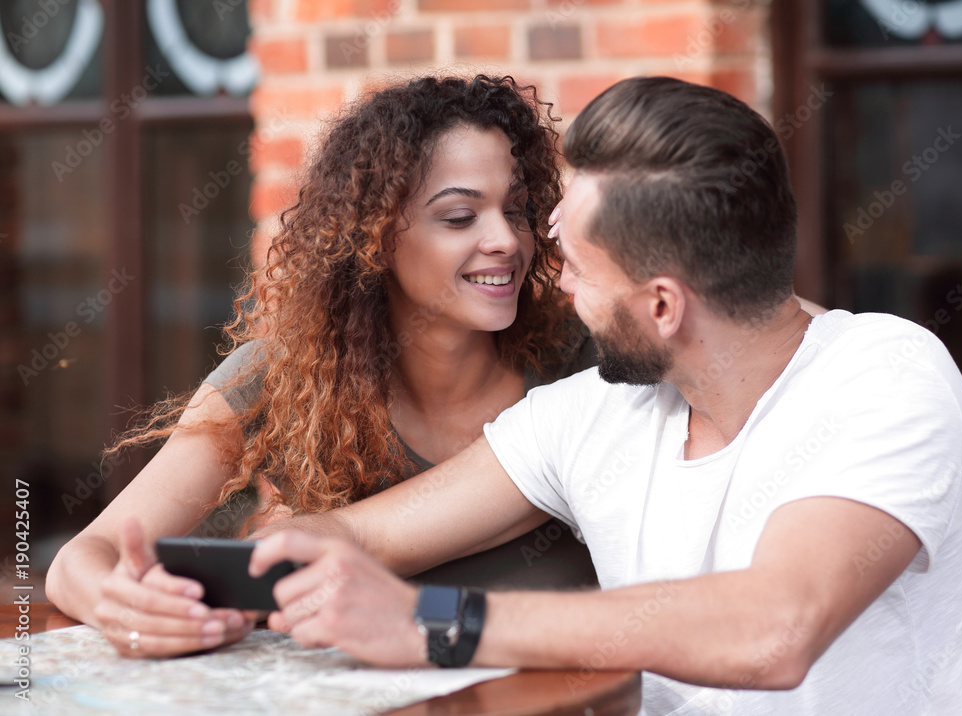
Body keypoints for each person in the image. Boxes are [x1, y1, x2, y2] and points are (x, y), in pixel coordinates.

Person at [244, 77, 962, 715]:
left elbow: (775, 627)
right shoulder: (596, 414)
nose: (557, 283)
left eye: (577, 266)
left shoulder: (886, 377)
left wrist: (434, 621)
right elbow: (360, 537)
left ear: (663, 307)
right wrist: (232, 576)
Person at [45, 74, 600, 659]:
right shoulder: (282, 379)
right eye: (460, 217)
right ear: (377, 238)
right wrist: (122, 603)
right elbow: (82, 558)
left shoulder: (583, 363)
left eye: (517, 211)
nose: (506, 241)